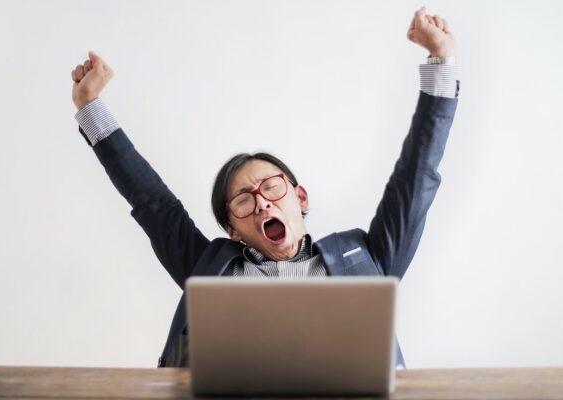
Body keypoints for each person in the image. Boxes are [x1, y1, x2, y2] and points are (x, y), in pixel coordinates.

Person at [69, 6, 459, 368]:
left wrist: (441, 62)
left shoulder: (367, 258)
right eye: (241, 200)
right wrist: (90, 105)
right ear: (231, 229)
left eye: (271, 187)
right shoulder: (209, 272)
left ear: (299, 197)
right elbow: (153, 203)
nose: (260, 203)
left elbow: (416, 177)